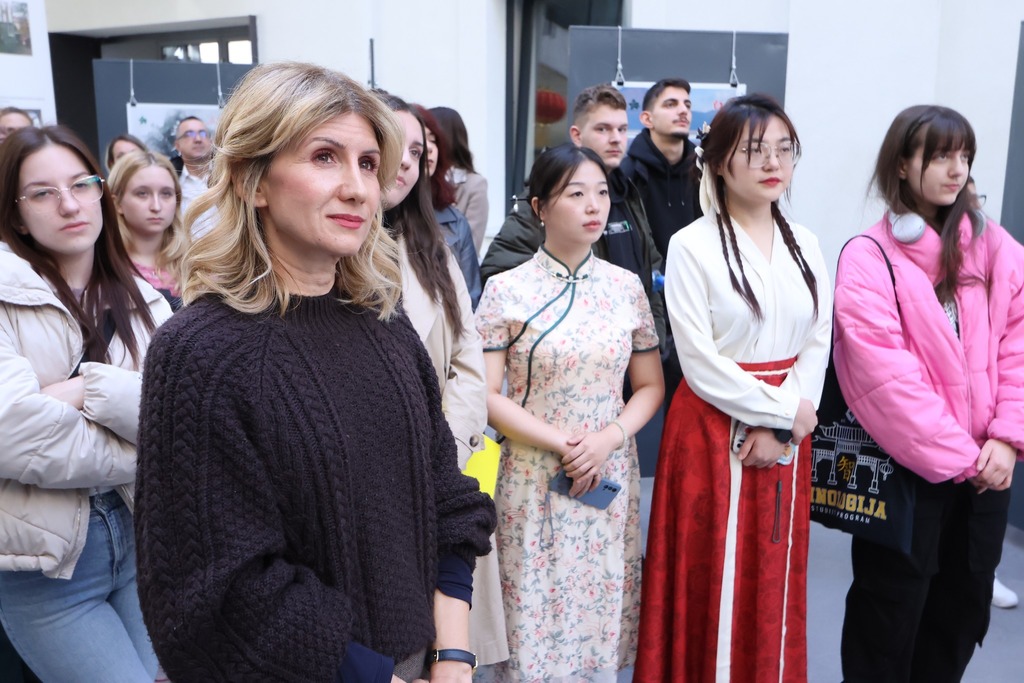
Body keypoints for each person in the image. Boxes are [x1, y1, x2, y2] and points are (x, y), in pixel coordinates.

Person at [133, 62, 496, 683]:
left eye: (368, 163)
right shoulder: (201, 352)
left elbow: (449, 498)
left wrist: (455, 657)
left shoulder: (384, 325)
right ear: (252, 181)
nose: (358, 188)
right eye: (325, 157)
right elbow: (220, 593)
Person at [636, 94, 831, 682]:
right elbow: (699, 363)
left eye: (784, 150)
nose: (774, 163)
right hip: (711, 431)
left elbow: (818, 339)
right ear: (719, 162)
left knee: (773, 573)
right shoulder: (692, 245)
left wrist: (787, 427)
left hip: (787, 430)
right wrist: (785, 413)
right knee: (710, 578)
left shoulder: (807, 243)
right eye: (755, 150)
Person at [835, 105, 1024, 682]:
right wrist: (965, 458)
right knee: (887, 621)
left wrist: (1007, 440)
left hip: (988, 469)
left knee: (961, 615)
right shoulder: (869, 256)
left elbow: (1018, 347)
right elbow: (884, 378)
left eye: (964, 156)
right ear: (901, 165)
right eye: (941, 156)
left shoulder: (996, 248)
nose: (957, 169)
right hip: (909, 474)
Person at [475, 143, 664, 681]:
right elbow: (486, 395)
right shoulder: (506, 289)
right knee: (531, 616)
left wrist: (608, 438)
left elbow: (650, 386)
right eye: (575, 194)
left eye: (601, 193)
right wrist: (564, 444)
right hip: (533, 474)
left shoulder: (626, 288)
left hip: (608, 470)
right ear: (539, 207)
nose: (593, 206)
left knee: (596, 616)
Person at [0, 124, 171, 682]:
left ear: (101, 192)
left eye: (81, 184)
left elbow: (180, 420)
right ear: (17, 215)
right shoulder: (5, 295)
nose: (69, 204)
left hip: (142, 545)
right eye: (42, 193)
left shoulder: (145, 300)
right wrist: (144, 448)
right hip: (48, 571)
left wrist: (82, 390)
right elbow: (12, 435)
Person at [380, 91, 509, 674]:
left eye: (417, 151)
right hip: (368, 479)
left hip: (442, 465)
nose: (406, 162)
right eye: (392, 146)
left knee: (445, 639)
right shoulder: (327, 254)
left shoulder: (432, 245)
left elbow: (467, 360)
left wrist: (445, 449)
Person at [481, 84, 666, 347]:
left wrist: (655, 342)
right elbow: (498, 273)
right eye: (603, 129)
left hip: (634, 355)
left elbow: (651, 275)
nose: (616, 138)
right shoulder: (547, 200)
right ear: (577, 135)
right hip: (571, 355)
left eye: (622, 129)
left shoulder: (628, 193)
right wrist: (567, 328)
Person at [620, 78, 703, 410]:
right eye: (671, 104)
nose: (683, 111)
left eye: (687, 104)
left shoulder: (705, 172)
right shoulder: (626, 174)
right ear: (647, 118)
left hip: (695, 302)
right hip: (643, 305)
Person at [966, 176, 1019, 611]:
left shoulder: (1005, 254)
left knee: (970, 581)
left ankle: (987, 573)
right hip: (929, 450)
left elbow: (1017, 355)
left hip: (990, 440)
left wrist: (1007, 437)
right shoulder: (883, 254)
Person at [414, 104, 482, 307]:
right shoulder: (383, 212)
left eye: (433, 139)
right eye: (421, 139)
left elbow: (470, 295)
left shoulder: (455, 218)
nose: (428, 148)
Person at [108, 149, 188, 309]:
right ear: (117, 203)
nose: (156, 206)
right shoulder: (104, 266)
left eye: (166, 194)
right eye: (142, 193)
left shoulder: (195, 263)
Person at [430, 105, 489, 252]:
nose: (427, 146)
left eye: (431, 138)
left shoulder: (474, 185)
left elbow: (470, 247)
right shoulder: (414, 179)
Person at [172, 115, 212, 219]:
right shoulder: (170, 180)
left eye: (203, 133)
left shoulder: (228, 175)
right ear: (177, 145)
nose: (198, 139)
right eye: (189, 134)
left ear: (211, 141)